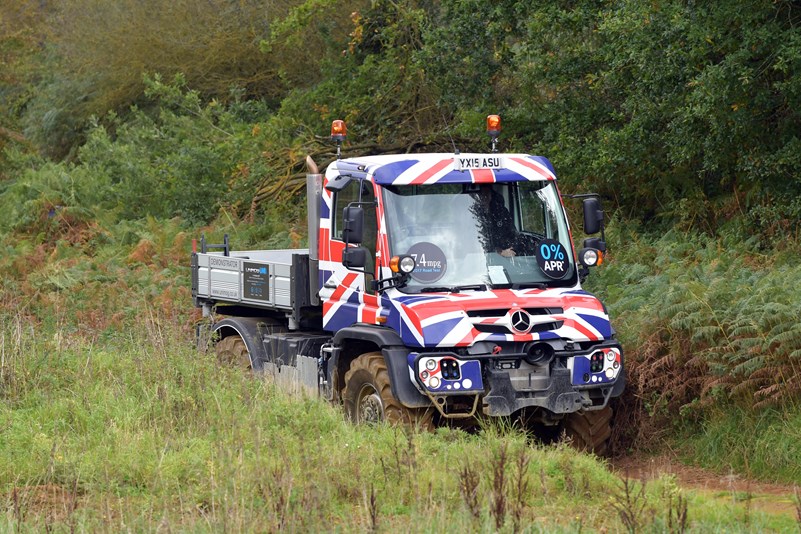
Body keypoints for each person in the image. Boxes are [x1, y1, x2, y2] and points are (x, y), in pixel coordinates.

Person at [470, 186, 527, 257]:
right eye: (480, 194)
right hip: (479, 259)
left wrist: (512, 249)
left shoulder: (501, 212)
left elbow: (513, 235)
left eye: (487, 194)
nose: (484, 197)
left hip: (505, 260)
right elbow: (472, 245)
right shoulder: (470, 215)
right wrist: (500, 252)